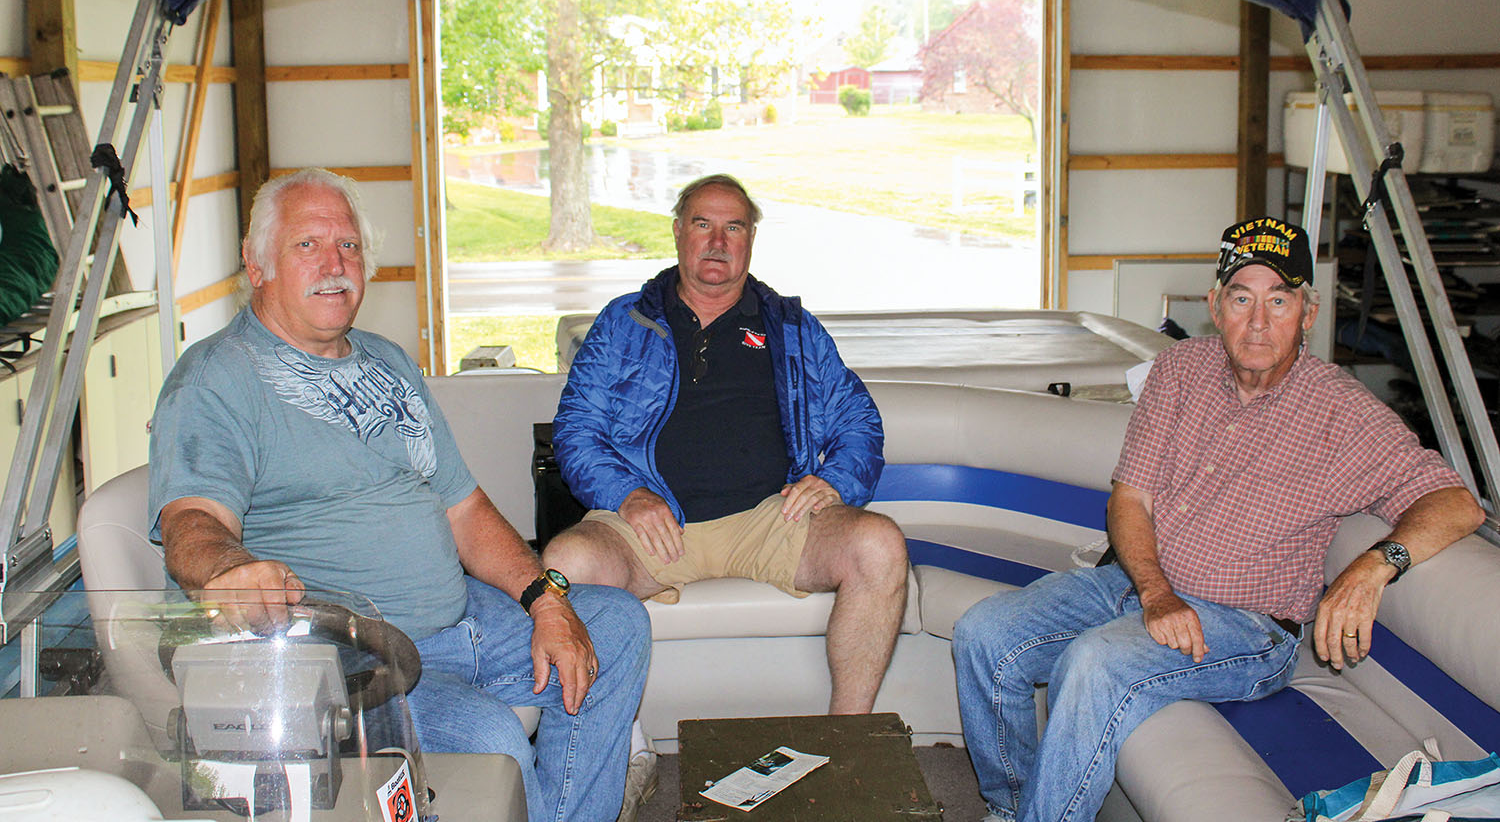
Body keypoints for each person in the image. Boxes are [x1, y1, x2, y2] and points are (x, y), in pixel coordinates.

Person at [148, 168, 652, 822]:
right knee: (493, 741)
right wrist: (228, 569)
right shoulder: (216, 380)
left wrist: (544, 599)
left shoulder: (385, 361)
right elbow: (193, 518)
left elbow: (464, 508)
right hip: (360, 659)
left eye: (349, 246)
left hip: (463, 623)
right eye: (308, 245)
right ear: (257, 263)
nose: (335, 264)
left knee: (618, 626)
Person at [953, 215, 1485, 822]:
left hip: (1248, 627)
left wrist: (1373, 565)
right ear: (1215, 304)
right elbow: (1131, 500)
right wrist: (1154, 592)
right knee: (984, 634)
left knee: (1095, 663)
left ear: (1307, 312)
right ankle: (1012, 808)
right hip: (1135, 585)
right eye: (1241, 298)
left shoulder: (1343, 414)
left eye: (1279, 299)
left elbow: (1456, 503)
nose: (1258, 323)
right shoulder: (1181, 370)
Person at [543, 173, 908, 717]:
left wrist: (834, 481)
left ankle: (848, 740)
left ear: (750, 239)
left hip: (769, 522)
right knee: (563, 562)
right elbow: (576, 428)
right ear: (677, 233)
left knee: (879, 544)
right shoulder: (625, 322)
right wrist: (628, 494)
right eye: (703, 224)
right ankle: (622, 745)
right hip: (653, 526)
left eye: (733, 227)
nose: (717, 242)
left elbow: (858, 421)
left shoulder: (790, 327)